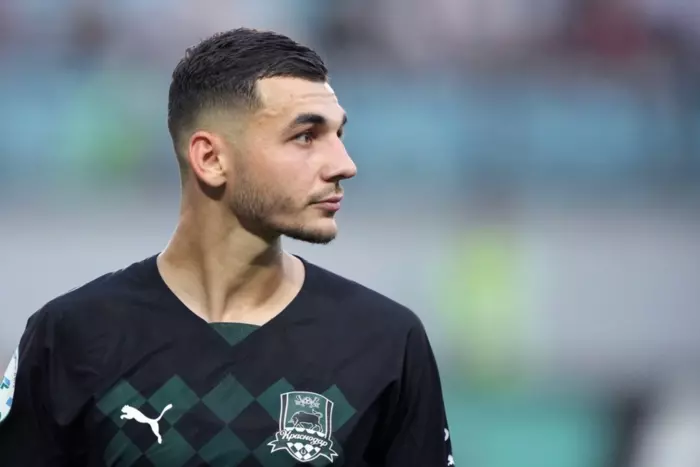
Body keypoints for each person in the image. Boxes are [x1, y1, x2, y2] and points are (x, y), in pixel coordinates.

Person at [0, 28, 454, 466]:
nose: (344, 164)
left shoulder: (386, 342)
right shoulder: (71, 336)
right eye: (305, 136)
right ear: (211, 158)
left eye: (339, 135)